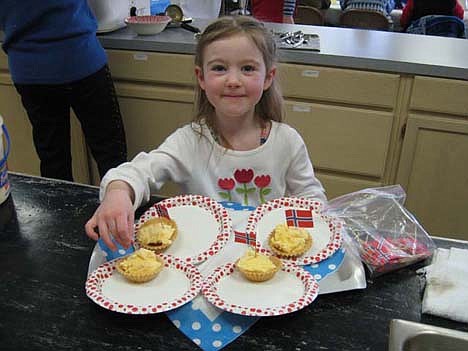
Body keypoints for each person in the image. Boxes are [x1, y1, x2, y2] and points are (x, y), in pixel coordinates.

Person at [85, 16, 326, 250]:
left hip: (267, 263)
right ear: (201, 77)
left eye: (248, 68)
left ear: (267, 78)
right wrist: (118, 192)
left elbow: (313, 199)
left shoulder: (287, 142)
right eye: (220, 68)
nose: (233, 80)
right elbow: (140, 171)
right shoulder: (189, 141)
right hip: (203, 263)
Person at [0, 0, 127, 182]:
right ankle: (121, 209)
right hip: (79, 57)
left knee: (53, 160)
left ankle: (62, 210)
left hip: (30, 68)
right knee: (112, 156)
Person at [400, 0, 465, 30]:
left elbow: (404, 21)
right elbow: (460, 15)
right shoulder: (452, 1)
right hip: (447, 35)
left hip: (419, 37)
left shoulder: (413, 1)